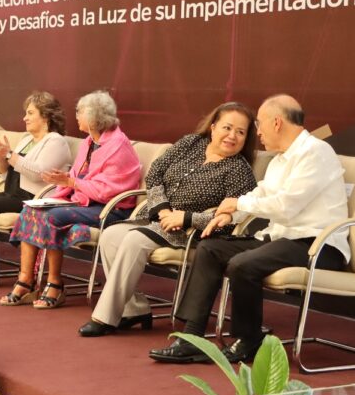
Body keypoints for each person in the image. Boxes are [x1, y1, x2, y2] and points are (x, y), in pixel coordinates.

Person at [149, 95, 350, 363]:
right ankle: (193, 338)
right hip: (282, 240)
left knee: (243, 264)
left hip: (317, 246)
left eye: (259, 124)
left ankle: (249, 339)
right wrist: (230, 214)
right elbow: (262, 194)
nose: (259, 132)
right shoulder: (281, 159)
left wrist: (238, 202)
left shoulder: (316, 152)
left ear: (277, 122)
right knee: (209, 248)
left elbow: (286, 206)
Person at [78, 101, 259, 337]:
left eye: (240, 132)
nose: (232, 136)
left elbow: (230, 218)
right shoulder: (191, 143)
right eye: (227, 127)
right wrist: (162, 210)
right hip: (154, 218)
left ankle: (104, 317)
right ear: (213, 127)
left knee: (134, 241)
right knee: (111, 235)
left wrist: (185, 218)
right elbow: (155, 175)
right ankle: (134, 309)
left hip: (188, 233)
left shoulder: (239, 170)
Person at [0, 91, 142, 307]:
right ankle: (26, 281)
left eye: (80, 112)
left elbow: (107, 190)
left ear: (95, 117)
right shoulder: (89, 142)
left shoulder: (118, 146)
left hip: (110, 210)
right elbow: (76, 177)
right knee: (31, 210)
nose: (76, 116)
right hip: (85, 201)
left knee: (53, 216)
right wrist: (63, 184)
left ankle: (55, 284)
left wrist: (71, 183)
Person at [0, 92, 71, 288]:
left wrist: (9, 154)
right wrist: (1, 158)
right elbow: (5, 175)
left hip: (34, 198)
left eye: (30, 113)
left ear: (45, 116)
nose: (24, 118)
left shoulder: (56, 141)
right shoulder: (27, 139)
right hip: (13, 192)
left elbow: (40, 174)